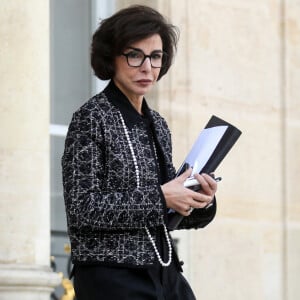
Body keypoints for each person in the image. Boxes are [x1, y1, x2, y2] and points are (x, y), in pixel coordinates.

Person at [62, 5, 218, 300]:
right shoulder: (91, 118)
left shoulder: (157, 123)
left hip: (165, 273)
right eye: (135, 55)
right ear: (111, 57)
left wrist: (200, 200)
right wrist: (162, 197)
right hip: (111, 278)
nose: (147, 67)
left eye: (156, 56)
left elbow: (167, 213)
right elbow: (83, 208)